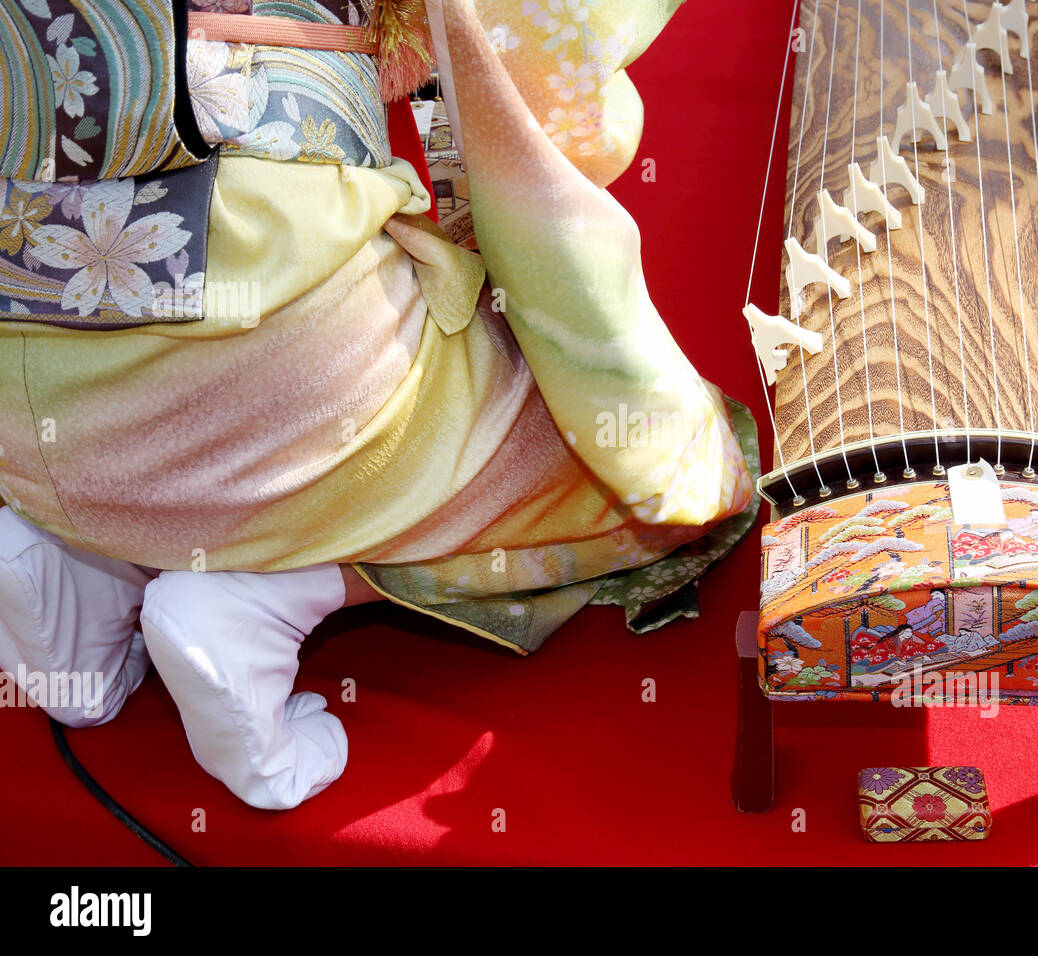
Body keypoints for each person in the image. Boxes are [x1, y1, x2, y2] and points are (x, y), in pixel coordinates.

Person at [0, 0, 755, 809]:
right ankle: (268, 598)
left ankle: (70, 562)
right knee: (622, 475)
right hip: (284, 375)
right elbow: (548, 85)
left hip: (24, 391)